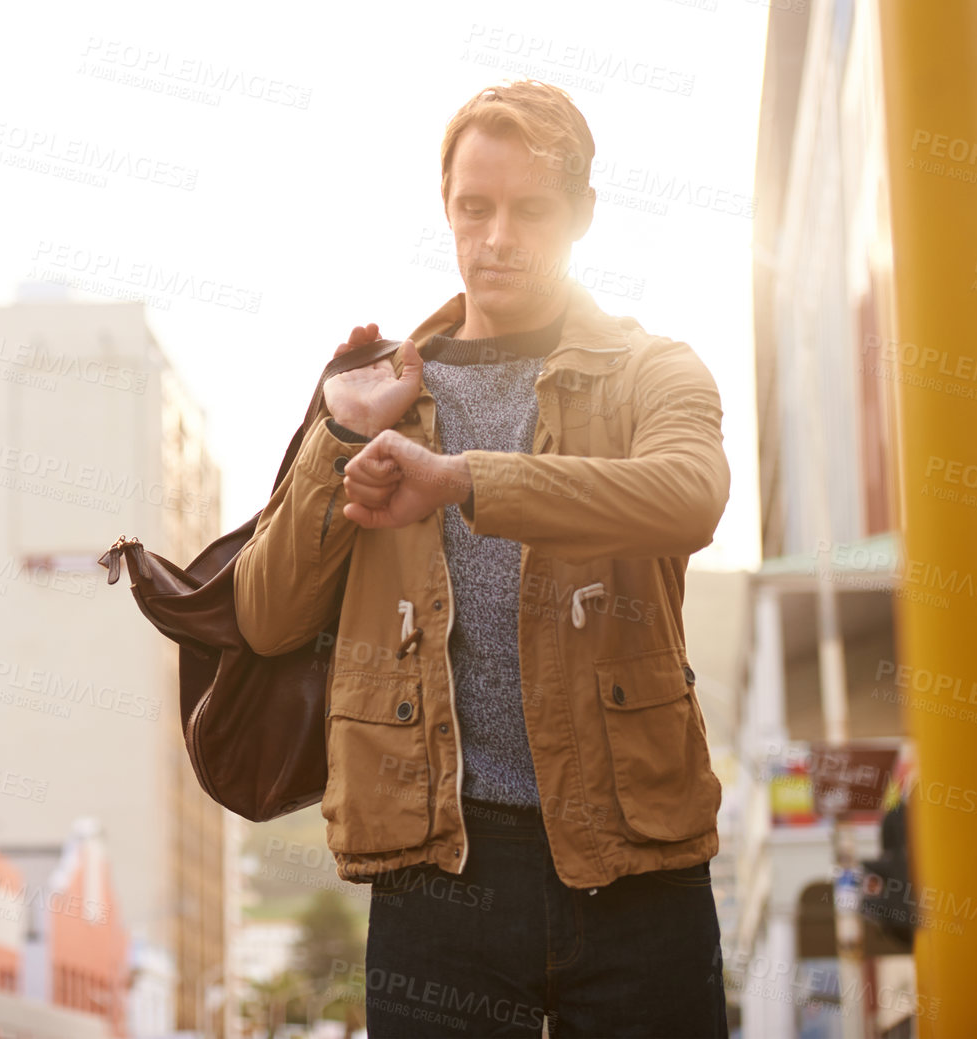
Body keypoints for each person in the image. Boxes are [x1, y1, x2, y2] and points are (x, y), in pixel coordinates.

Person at [234, 80, 730, 1036]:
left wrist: (463, 479)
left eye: (531, 209)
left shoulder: (652, 370)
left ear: (582, 215)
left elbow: (689, 494)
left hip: (636, 861)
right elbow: (265, 616)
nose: (497, 236)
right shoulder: (383, 388)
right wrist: (338, 433)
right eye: (474, 208)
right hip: (437, 878)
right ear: (447, 210)